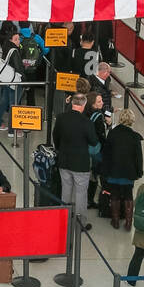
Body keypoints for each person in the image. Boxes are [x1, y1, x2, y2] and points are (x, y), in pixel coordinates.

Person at [52, 91, 100, 232]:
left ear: (72, 103)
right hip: (81, 164)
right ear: (84, 105)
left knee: (66, 191)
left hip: (64, 161)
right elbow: (93, 141)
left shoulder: (61, 118)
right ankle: (80, 224)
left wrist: (61, 150)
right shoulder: (87, 122)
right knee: (80, 194)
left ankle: (63, 221)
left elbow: (56, 137)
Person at [99, 107, 144, 228]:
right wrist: (139, 171)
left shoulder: (113, 134)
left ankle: (115, 220)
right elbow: (138, 157)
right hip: (129, 172)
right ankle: (129, 222)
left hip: (113, 171)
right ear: (132, 120)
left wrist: (104, 170)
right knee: (128, 195)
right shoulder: (135, 137)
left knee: (114, 195)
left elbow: (106, 154)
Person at [0, 30, 24, 130]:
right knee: (13, 106)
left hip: (6, 80)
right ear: (11, 40)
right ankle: (12, 130)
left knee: (3, 103)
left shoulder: (6, 48)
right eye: (16, 39)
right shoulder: (14, 51)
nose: (18, 41)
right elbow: (19, 68)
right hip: (14, 81)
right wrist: (25, 81)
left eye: (19, 39)